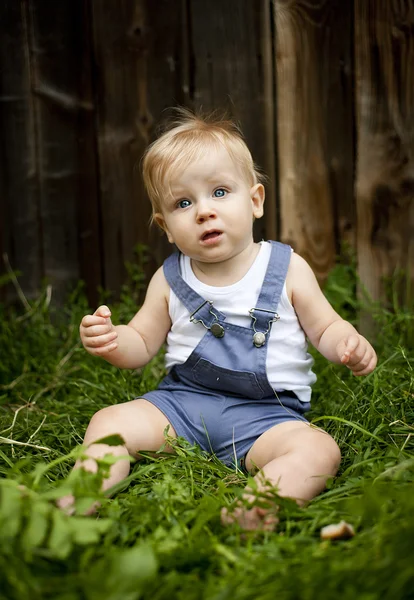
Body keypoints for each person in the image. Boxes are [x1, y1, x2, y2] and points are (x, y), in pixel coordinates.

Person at [60, 110, 377, 529]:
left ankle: (256, 506)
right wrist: (113, 340)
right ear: (166, 227)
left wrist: (346, 343)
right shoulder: (169, 280)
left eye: (220, 192)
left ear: (255, 200)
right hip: (181, 407)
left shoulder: (288, 268)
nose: (204, 211)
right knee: (110, 421)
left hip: (268, 417)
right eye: (183, 203)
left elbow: (325, 326)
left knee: (318, 451)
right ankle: (78, 503)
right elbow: (141, 342)